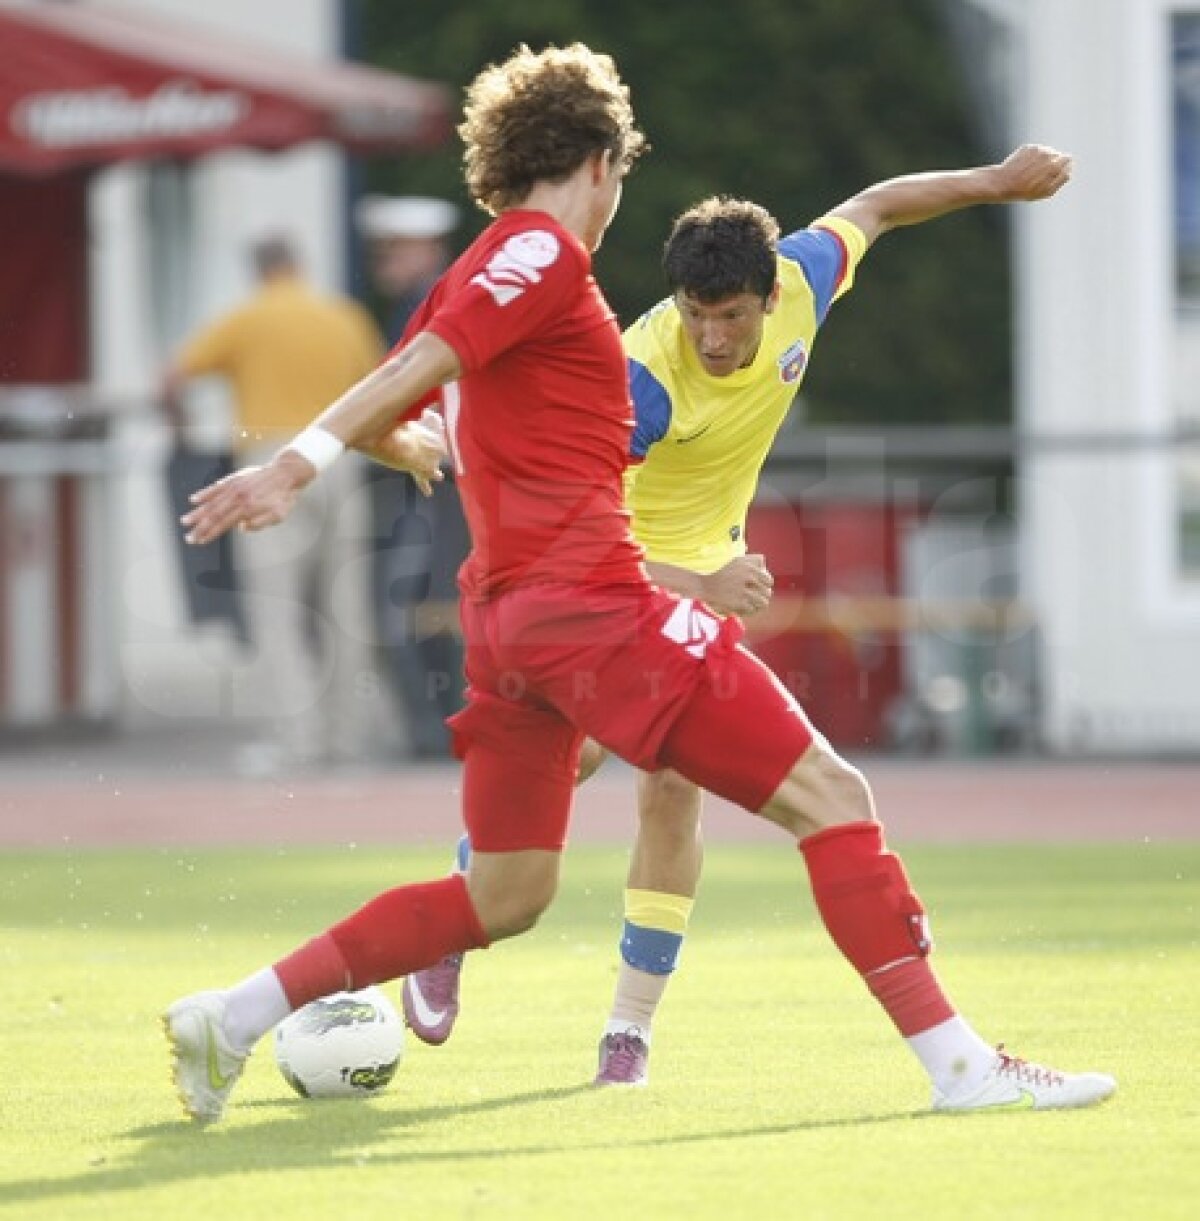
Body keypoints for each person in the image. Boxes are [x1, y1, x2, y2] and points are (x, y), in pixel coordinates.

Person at [162, 42, 1115, 1125]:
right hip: (597, 607)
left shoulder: (481, 262)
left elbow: (408, 379)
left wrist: (410, 446)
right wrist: (300, 462)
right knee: (833, 799)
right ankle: (961, 1068)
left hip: (507, 623)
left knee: (505, 895)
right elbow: (408, 375)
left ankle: (230, 1016)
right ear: (605, 161)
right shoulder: (545, 258)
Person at [400, 144, 1082, 1084]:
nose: (712, 339)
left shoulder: (804, 273)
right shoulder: (634, 382)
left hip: (698, 574)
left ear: (769, 296)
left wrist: (996, 183)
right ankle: (449, 926)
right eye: (694, 316)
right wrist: (698, 584)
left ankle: (626, 1034)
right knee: (567, 759)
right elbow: (563, 538)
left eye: (727, 317)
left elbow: (878, 202)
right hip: (605, 577)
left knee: (674, 784)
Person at [161, 235, 384, 770]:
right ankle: (348, 740)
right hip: (340, 459)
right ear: (300, 265)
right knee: (345, 607)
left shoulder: (247, 318)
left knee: (277, 610)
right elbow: (382, 384)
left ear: (258, 271)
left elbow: (171, 379)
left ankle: (295, 741)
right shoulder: (342, 316)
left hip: (267, 461)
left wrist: (182, 431)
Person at [355, 196, 471, 758]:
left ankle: (440, 730)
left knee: (424, 607)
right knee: (428, 606)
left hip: (439, 481)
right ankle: (442, 727)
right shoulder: (420, 305)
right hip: (431, 480)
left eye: (395, 251)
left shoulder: (424, 310)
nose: (385, 262)